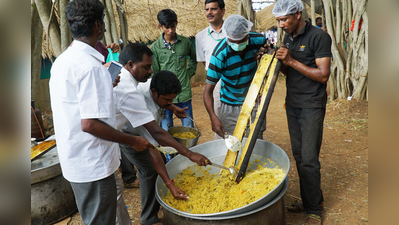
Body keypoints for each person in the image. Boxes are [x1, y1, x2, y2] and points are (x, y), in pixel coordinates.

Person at [49, 1, 187, 224]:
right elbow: (90, 124)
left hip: (76, 159)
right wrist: (132, 140)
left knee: (112, 212)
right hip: (94, 163)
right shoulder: (91, 67)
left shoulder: (64, 61)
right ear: (97, 25)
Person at [113, 42, 211, 225]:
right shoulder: (135, 96)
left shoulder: (148, 82)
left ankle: (152, 211)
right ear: (130, 64)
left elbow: (159, 99)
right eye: (147, 67)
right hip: (129, 136)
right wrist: (172, 180)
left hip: (140, 131)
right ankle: (149, 218)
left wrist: (171, 106)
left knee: (152, 169)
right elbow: (154, 140)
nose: (151, 71)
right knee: (150, 171)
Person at [272, 0, 332, 224]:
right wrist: (278, 61)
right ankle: (312, 200)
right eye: (278, 20)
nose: (280, 24)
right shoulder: (289, 37)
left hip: (312, 106)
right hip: (294, 104)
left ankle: (314, 211)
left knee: (308, 159)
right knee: (299, 156)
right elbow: (290, 72)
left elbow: (323, 75)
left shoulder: (318, 36)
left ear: (297, 15)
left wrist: (291, 61)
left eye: (284, 19)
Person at [203, 15, 267, 140]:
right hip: (229, 105)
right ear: (227, 37)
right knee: (231, 142)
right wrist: (213, 117)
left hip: (253, 101)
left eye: (241, 40)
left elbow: (271, 61)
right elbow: (207, 92)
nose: (237, 44)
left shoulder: (259, 41)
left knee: (255, 141)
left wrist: (267, 54)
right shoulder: (219, 55)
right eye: (233, 41)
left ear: (247, 34)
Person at [151, 9, 197, 131]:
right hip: (165, 97)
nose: (171, 31)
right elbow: (154, 72)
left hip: (184, 94)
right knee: (166, 129)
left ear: (177, 23)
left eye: (173, 26)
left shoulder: (185, 43)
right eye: (167, 27)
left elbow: (193, 59)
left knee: (188, 128)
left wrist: (188, 74)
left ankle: (189, 149)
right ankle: (168, 151)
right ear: (160, 26)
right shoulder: (155, 47)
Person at [195, 0, 227, 139]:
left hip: (236, 79)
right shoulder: (200, 37)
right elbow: (203, 61)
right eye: (207, 9)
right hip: (215, 83)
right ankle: (221, 148)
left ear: (223, 11)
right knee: (218, 115)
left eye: (213, 9)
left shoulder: (233, 31)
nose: (209, 12)